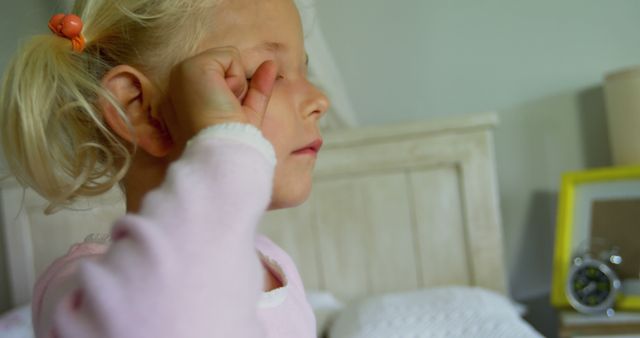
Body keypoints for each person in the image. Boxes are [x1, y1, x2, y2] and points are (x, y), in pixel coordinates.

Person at [0, 0, 329, 336]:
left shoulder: (275, 264)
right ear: (142, 109)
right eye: (268, 74)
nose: (320, 99)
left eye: (306, 69)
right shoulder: (80, 290)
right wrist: (229, 148)